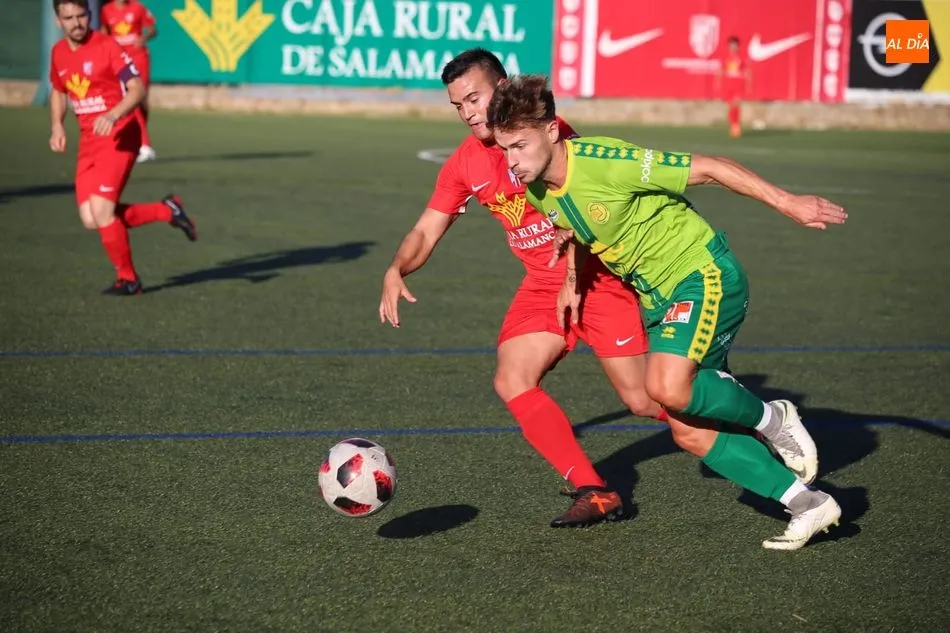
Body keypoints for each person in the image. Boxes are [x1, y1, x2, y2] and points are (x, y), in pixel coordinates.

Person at [487, 73, 847, 550]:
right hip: (659, 301)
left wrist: (789, 203)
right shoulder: (538, 188)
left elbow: (712, 167)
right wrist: (572, 283)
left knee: (663, 386)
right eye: (505, 149)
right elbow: (571, 228)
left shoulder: (606, 162)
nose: (513, 161)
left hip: (701, 272)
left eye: (520, 145)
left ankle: (773, 418)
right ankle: (809, 504)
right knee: (688, 431)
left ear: (552, 130)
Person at [378, 49, 718, 528]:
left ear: (503, 87)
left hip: (597, 278)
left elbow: (587, 214)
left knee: (645, 401)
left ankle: (739, 422)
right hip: (542, 286)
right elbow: (426, 230)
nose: (468, 112)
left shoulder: (549, 138)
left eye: (474, 97)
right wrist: (397, 268)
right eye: (458, 105)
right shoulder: (464, 163)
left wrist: (575, 281)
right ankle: (595, 491)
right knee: (511, 378)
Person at [49, 0, 196, 296]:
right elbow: (58, 90)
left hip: (119, 137)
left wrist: (113, 114)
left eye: (81, 15)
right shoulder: (58, 53)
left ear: (89, 15)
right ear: (58, 21)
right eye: (69, 18)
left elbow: (137, 89)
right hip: (89, 142)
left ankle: (129, 279)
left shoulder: (107, 46)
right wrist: (57, 125)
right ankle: (166, 210)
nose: (76, 23)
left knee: (103, 213)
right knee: (92, 219)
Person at [100, 0, 158, 162]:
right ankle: (145, 145)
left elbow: (153, 29)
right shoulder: (106, 9)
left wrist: (144, 38)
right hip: (119, 61)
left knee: (142, 101)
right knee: (131, 97)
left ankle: (138, 139)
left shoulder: (137, 7)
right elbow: (104, 31)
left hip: (139, 58)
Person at [716, 36, 751, 138]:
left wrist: (748, 85)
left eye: (735, 45)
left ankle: (736, 126)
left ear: (738, 46)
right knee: (731, 105)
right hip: (728, 84)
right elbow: (721, 70)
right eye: (731, 45)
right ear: (728, 46)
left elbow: (747, 71)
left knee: (736, 103)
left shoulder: (742, 58)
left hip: (738, 84)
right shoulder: (725, 58)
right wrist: (718, 82)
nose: (733, 47)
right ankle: (733, 124)